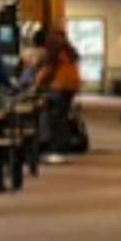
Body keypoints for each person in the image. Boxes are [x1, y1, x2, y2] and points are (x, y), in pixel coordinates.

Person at [34, 28, 84, 157]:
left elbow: (48, 69)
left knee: (53, 115)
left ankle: (54, 145)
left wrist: (36, 84)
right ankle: (62, 144)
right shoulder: (67, 50)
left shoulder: (53, 50)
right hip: (70, 87)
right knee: (62, 116)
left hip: (59, 87)